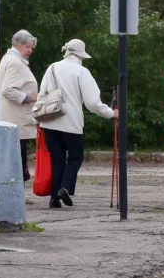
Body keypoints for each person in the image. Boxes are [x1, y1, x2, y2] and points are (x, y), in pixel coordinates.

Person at [38, 39, 118, 208]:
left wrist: (36, 119)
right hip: (71, 123)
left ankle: (54, 198)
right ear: (81, 55)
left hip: (49, 121)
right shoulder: (82, 72)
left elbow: (42, 95)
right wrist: (111, 113)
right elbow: (92, 103)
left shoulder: (52, 67)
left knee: (57, 159)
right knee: (75, 157)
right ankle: (65, 188)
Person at [0, 30, 38, 183]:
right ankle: (15, 193)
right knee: (17, 157)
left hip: (14, 117)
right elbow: (7, 90)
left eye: (31, 47)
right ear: (18, 45)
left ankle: (16, 191)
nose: (30, 50)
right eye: (28, 47)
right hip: (15, 118)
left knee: (17, 156)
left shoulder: (11, 59)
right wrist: (28, 97)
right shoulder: (15, 62)